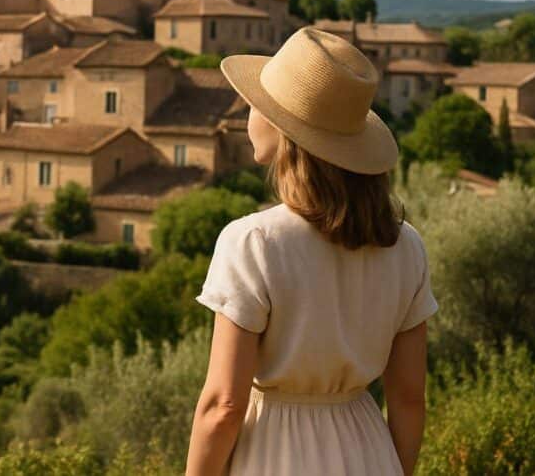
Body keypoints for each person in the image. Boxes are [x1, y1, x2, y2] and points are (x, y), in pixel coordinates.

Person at [185, 27, 438, 475]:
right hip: (369, 452)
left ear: (283, 130)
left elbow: (224, 405)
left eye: (257, 103)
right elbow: (408, 399)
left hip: (272, 457)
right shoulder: (406, 245)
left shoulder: (253, 243)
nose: (248, 112)